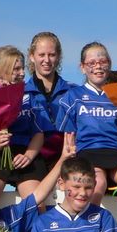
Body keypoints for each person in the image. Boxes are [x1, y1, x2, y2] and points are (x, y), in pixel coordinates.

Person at [57, 42, 117, 204]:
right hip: (88, 153)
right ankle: (90, 220)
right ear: (82, 67)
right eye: (91, 63)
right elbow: (68, 139)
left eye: (102, 62)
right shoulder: (72, 96)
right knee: (97, 183)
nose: (98, 66)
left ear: (109, 64)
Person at [0, 45, 53, 198]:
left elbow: (39, 134)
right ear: (2, 70)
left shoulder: (30, 95)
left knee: (35, 202)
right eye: (16, 69)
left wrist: (28, 156)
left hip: (25, 155)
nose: (22, 73)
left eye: (22, 68)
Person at [24, 32, 74, 169]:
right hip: (33, 160)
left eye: (51, 55)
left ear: (58, 57)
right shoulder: (21, 93)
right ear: (32, 56)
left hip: (68, 158)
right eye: (41, 55)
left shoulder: (73, 91)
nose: (47, 60)